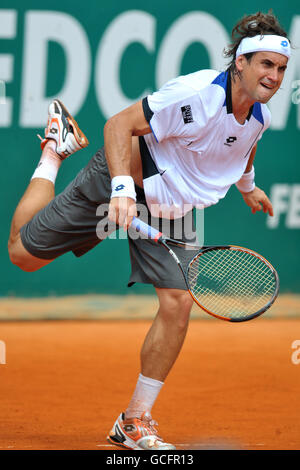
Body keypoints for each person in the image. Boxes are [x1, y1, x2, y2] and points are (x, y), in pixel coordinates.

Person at [8, 11, 290, 450]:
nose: (274, 76)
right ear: (240, 63)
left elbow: (242, 152)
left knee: (178, 302)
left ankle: (134, 420)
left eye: (281, 68)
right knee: (22, 256)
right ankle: (54, 149)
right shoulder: (197, 94)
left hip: (172, 205)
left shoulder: (258, 118)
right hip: (122, 178)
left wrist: (249, 189)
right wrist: (121, 189)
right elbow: (119, 126)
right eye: (265, 65)